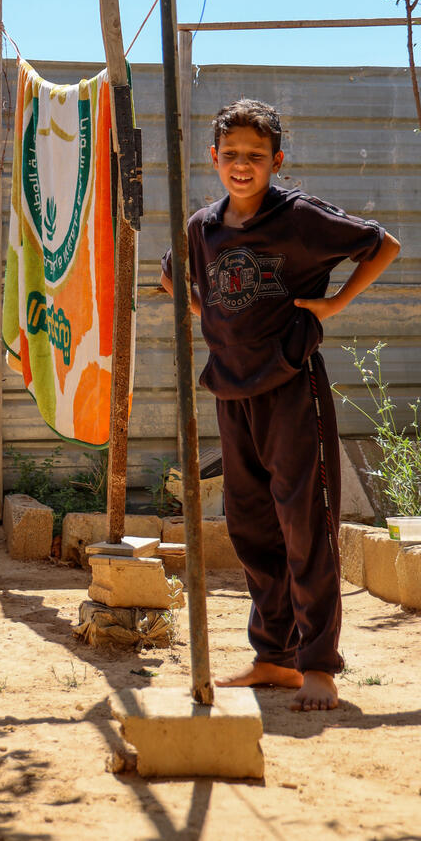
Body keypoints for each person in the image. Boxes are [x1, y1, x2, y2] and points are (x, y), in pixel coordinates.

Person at [160, 97, 400, 712]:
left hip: (291, 388)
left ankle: (318, 665)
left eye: (255, 155)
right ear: (213, 157)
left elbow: (383, 245)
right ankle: (274, 656)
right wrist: (209, 316)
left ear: (276, 160)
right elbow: (173, 276)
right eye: (231, 154)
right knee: (251, 527)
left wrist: (335, 304)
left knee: (304, 525)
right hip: (231, 392)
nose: (242, 165)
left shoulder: (297, 217)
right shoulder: (202, 227)